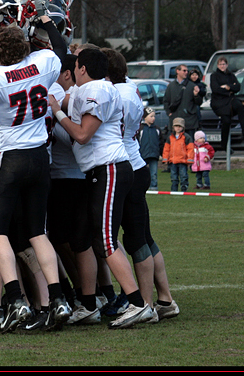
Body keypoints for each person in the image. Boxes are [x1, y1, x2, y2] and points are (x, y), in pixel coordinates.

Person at [0, 12, 73, 332]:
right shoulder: (42, 64)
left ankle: (15, 299)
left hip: (10, 159)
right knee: (37, 231)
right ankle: (58, 299)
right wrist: (49, 24)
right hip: (40, 157)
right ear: (25, 46)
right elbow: (62, 53)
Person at [48, 47, 155, 328]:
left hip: (109, 169)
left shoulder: (95, 90)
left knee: (106, 240)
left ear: (81, 69)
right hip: (102, 169)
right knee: (86, 238)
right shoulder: (103, 88)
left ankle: (136, 303)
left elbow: (82, 135)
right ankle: (88, 304)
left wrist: (57, 111)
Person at [209, 57, 244, 151]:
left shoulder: (231, 75)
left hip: (230, 100)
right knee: (226, 121)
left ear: (227, 65)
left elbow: (238, 87)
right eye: (220, 64)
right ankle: (224, 145)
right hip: (219, 102)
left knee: (240, 106)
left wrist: (228, 87)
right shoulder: (214, 76)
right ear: (217, 65)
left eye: (224, 64)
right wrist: (229, 91)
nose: (222, 66)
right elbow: (216, 89)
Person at [163, 65, 198, 135]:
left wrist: (196, 95)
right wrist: (169, 113)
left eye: (187, 71)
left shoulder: (192, 85)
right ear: (177, 71)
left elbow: (198, 102)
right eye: (184, 70)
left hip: (189, 122)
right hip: (175, 121)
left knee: (189, 144)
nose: (186, 72)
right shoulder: (171, 86)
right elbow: (166, 101)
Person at [162, 118, 193, 193]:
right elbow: (166, 149)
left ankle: (184, 189)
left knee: (183, 176)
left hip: (183, 161)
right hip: (172, 161)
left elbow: (190, 149)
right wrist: (165, 159)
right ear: (173, 127)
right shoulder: (170, 137)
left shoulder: (186, 137)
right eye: (176, 126)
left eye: (180, 126)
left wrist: (190, 159)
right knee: (173, 177)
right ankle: (174, 190)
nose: (178, 128)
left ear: (183, 127)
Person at [138, 107, 162, 190]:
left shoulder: (157, 129)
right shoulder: (140, 129)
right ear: (145, 117)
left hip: (154, 154)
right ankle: (140, 186)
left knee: (153, 173)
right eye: (151, 116)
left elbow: (160, 142)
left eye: (154, 116)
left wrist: (160, 153)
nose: (153, 118)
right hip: (142, 155)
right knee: (141, 172)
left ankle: (154, 187)